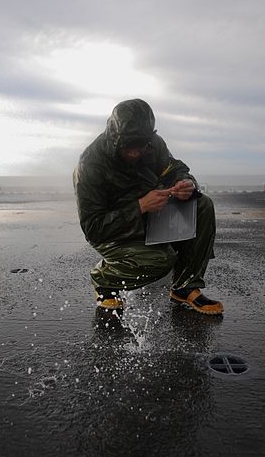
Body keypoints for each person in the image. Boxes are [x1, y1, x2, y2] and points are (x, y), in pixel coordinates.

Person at [73, 98, 223, 315]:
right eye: (128, 147)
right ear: (115, 138)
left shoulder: (154, 144)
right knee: (160, 260)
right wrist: (140, 207)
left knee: (202, 205)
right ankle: (104, 279)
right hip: (114, 233)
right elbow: (94, 229)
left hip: (150, 218)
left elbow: (174, 169)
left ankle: (185, 286)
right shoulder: (90, 165)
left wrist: (185, 184)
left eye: (141, 146)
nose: (135, 153)